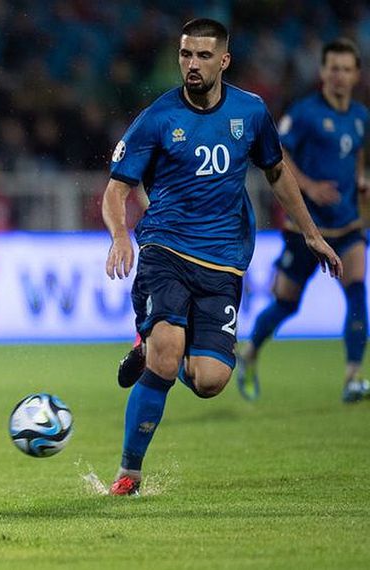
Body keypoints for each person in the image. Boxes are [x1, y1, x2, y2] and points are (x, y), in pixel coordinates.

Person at [102, 19, 342, 496]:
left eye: (203, 56)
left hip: (224, 261)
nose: (192, 64)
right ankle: (129, 473)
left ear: (224, 60)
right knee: (168, 357)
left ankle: (147, 349)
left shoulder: (251, 113)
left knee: (210, 380)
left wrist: (311, 233)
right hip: (165, 249)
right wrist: (121, 235)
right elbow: (115, 190)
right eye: (186, 55)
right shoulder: (157, 117)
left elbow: (277, 173)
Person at [236, 39, 370, 403]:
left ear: (356, 74)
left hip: (346, 225)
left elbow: (355, 154)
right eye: (333, 68)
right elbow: (277, 153)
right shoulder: (305, 113)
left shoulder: (360, 116)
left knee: (358, 293)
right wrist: (308, 185)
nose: (339, 76)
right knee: (286, 303)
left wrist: (361, 180)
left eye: (346, 69)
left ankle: (352, 377)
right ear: (323, 72)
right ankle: (249, 354)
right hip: (305, 228)